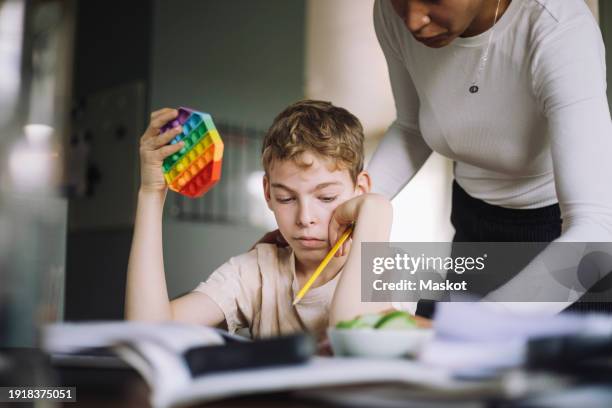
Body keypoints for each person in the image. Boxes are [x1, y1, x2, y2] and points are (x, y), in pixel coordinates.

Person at [363, 0, 612, 315]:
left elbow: (595, 231)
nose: (413, 21)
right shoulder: (391, 14)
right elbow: (413, 127)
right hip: (473, 225)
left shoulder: (557, 30)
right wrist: (342, 211)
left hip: (565, 242)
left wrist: (478, 321)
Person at [125, 100, 400, 344]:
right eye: (286, 198)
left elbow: (353, 338)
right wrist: (150, 193)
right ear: (268, 193)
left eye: (326, 197)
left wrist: (375, 210)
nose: (305, 219)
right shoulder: (256, 271)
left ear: (360, 190)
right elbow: (147, 333)